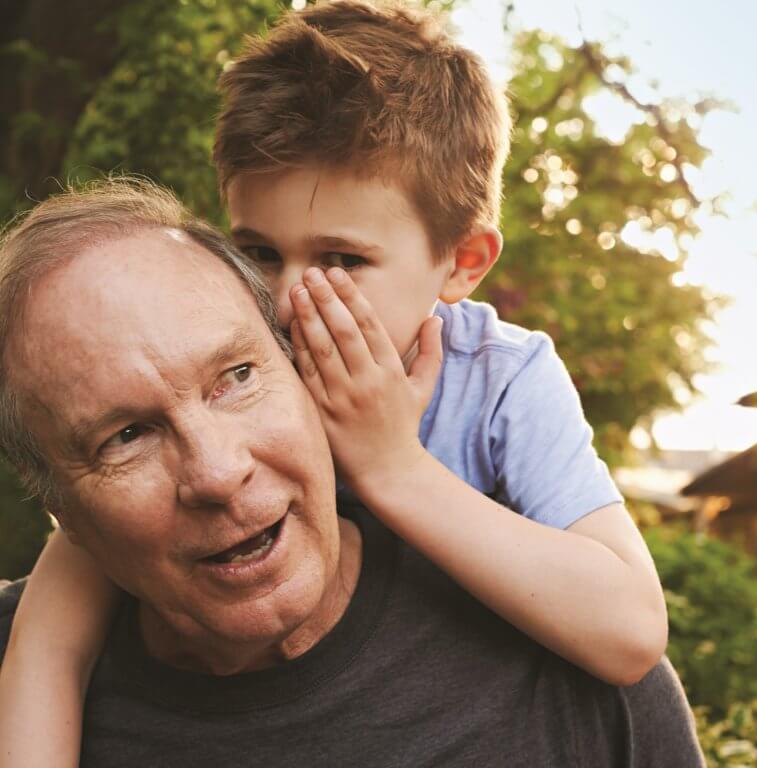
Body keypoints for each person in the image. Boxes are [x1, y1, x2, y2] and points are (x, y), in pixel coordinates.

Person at [1, 1, 670, 763]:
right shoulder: (223, 385)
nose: (288, 301)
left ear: (463, 262)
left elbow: (630, 633)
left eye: (343, 260)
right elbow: (49, 648)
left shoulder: (500, 382)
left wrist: (395, 469)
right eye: (257, 250)